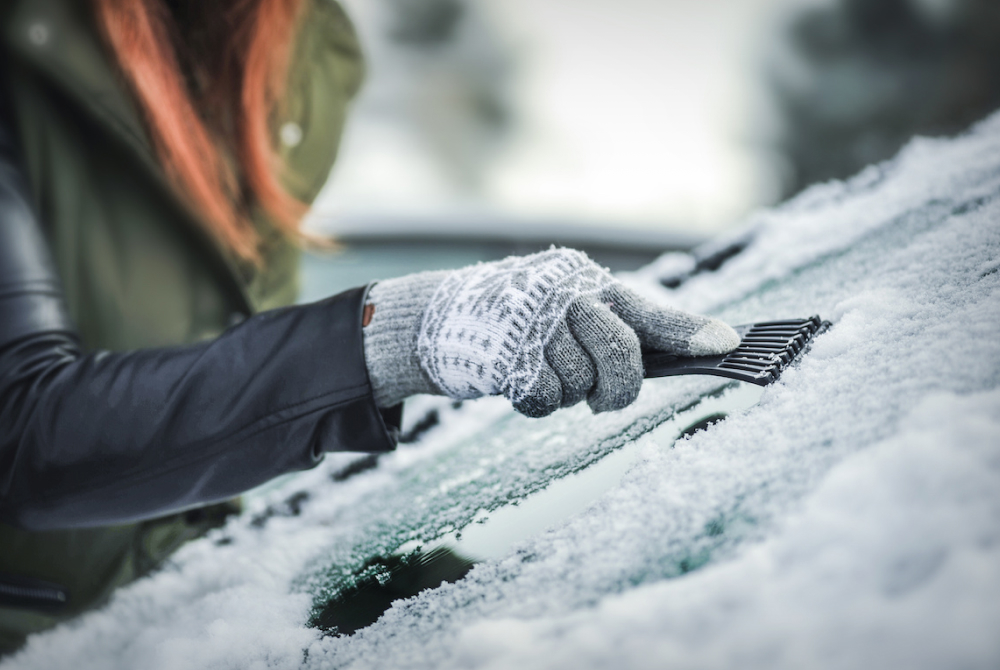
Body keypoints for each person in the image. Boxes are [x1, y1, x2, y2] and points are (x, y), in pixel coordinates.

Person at [0, 0, 739, 653]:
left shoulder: (307, 50)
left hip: (200, 617)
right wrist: (398, 333)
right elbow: (19, 429)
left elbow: (238, 391)